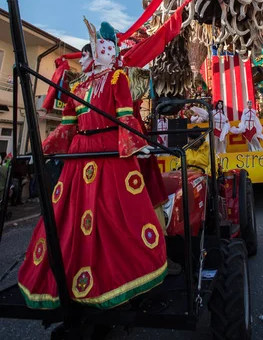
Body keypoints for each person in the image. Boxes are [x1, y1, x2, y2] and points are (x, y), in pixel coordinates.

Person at [18, 20, 167, 309]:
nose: (105, 50)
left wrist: (137, 143)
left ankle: (116, 278)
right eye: (101, 45)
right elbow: (68, 125)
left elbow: (125, 114)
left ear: (115, 54)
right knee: (69, 217)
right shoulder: (79, 85)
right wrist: (45, 147)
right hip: (80, 154)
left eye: (110, 47)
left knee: (114, 214)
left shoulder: (117, 79)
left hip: (108, 152)